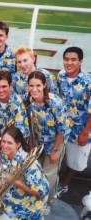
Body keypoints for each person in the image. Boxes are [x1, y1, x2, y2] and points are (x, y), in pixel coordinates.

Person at [0, 125, 49, 220]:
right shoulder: (4, 153)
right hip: (11, 190)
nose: (4, 146)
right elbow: (3, 178)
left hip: (29, 203)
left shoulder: (31, 165)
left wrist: (14, 181)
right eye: (3, 141)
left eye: (9, 143)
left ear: (18, 144)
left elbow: (40, 193)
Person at [23, 71, 69, 208]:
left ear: (44, 85)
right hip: (39, 143)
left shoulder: (55, 103)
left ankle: (48, 202)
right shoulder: (29, 99)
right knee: (36, 171)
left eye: (38, 85)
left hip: (55, 142)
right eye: (31, 85)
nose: (34, 89)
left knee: (49, 175)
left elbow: (62, 130)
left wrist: (55, 150)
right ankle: (36, 197)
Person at [56, 47, 91, 196]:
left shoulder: (88, 81)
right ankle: (53, 181)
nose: (69, 63)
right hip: (60, 128)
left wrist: (85, 132)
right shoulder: (60, 76)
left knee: (75, 162)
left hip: (79, 130)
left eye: (73, 59)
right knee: (55, 159)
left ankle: (65, 183)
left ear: (80, 61)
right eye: (66, 59)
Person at [0, 70, 29, 153]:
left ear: (10, 86)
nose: (1, 90)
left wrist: (7, 151)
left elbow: (20, 132)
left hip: (16, 143)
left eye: (4, 86)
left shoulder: (17, 102)